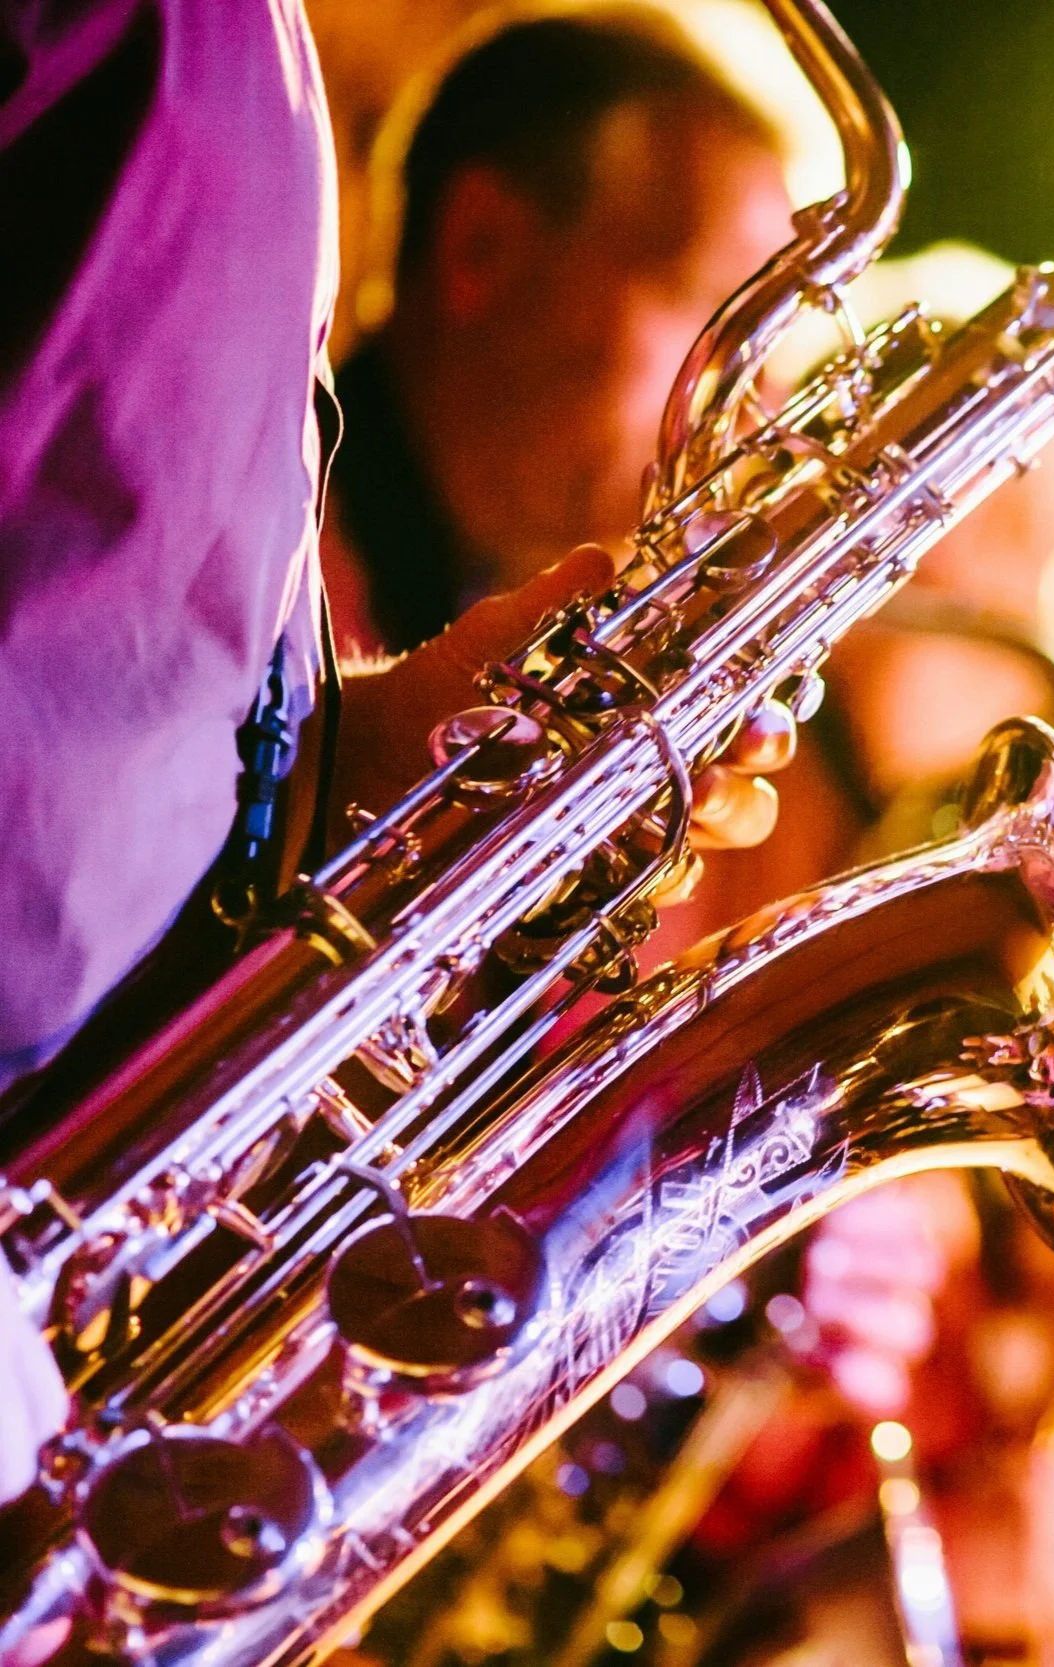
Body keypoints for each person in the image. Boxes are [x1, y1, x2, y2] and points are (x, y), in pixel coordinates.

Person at [0, 0, 790, 1508]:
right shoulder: (165, 44)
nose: (728, 422)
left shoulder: (245, 82)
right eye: (704, 318)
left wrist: (362, 762)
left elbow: (100, 712)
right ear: (485, 246)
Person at [317, 9, 798, 667]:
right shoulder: (245, 577)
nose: (760, 399)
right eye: (713, 306)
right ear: (482, 245)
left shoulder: (441, 591)